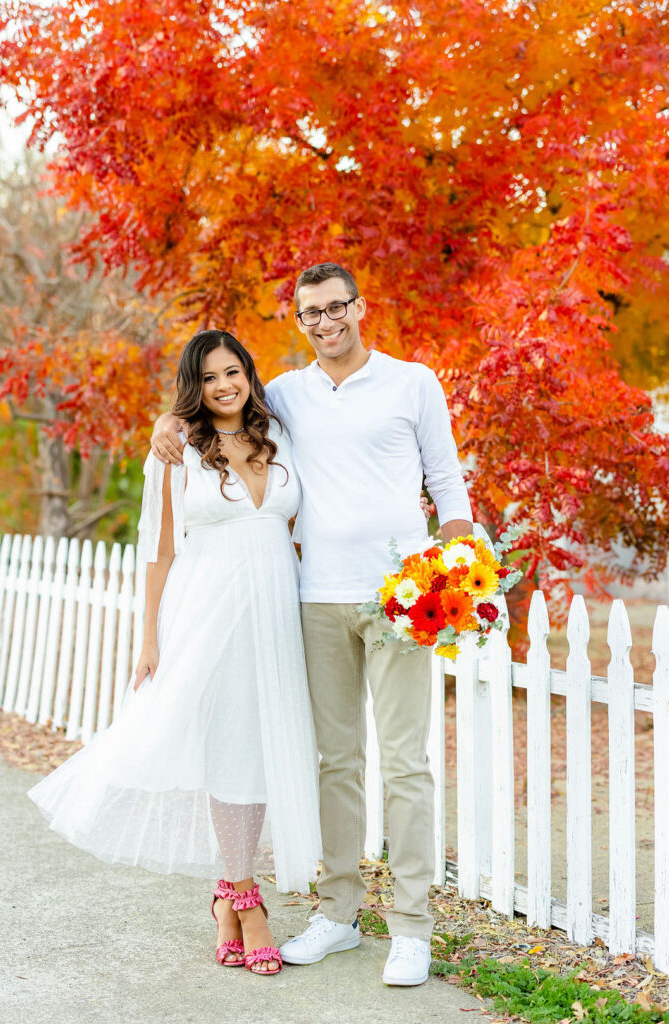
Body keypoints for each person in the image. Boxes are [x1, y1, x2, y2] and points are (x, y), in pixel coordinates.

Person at [152, 263, 473, 987]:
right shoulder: (289, 393)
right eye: (310, 314)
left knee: (405, 764)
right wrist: (165, 421)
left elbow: (447, 480)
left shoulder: (411, 381)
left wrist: (456, 559)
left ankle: (412, 927)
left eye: (336, 309)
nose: (325, 323)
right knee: (333, 762)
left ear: (360, 307)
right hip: (313, 598)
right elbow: (215, 408)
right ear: (298, 322)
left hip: (400, 594)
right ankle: (337, 914)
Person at [29, 330, 322, 977]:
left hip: (274, 613)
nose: (224, 385)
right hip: (208, 612)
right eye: (210, 377)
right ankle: (247, 903)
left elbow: (299, 524)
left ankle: (227, 892)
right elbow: (158, 549)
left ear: (249, 373)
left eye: (233, 372)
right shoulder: (176, 450)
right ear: (195, 386)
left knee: (259, 746)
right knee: (226, 745)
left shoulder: (282, 439)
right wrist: (150, 637)